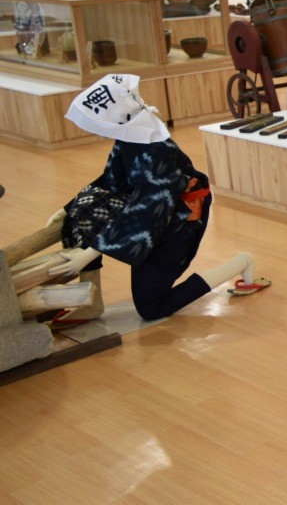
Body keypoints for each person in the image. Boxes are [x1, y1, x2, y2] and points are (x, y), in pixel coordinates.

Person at [48, 74, 269, 324]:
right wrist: (69, 209)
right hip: (155, 213)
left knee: (151, 308)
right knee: (86, 209)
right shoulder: (129, 138)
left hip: (179, 220)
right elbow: (111, 181)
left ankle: (242, 261)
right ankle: (92, 302)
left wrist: (90, 252)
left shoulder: (157, 153)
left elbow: (146, 212)